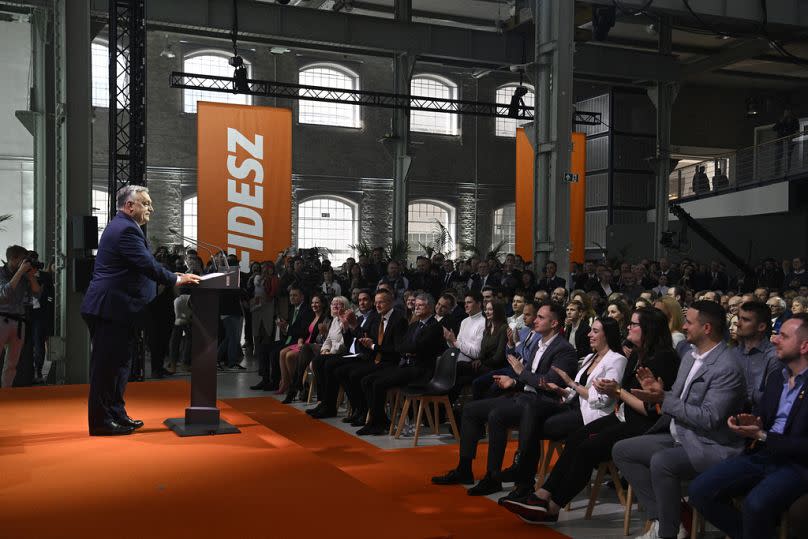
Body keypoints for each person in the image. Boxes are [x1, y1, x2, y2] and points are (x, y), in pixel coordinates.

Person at [612, 301, 747, 539]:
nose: (683, 326)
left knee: (662, 462)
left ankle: (668, 533)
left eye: (689, 322)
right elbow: (676, 397)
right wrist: (657, 392)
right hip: (679, 433)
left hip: (710, 444)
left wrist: (663, 398)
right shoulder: (690, 355)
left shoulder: (727, 366)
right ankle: (663, 516)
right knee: (623, 450)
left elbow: (709, 418)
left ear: (706, 328)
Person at [80, 186, 200, 436]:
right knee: (106, 367)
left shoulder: (125, 227)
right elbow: (145, 264)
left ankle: (116, 414)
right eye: (146, 203)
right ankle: (101, 421)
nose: (151, 208)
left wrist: (172, 274)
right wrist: (175, 280)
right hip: (110, 307)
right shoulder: (125, 230)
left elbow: (142, 264)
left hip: (120, 309)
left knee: (121, 365)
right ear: (129, 206)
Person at [431, 303, 579, 496]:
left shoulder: (564, 349)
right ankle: (464, 469)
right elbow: (529, 378)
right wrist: (513, 381)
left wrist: (520, 373)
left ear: (554, 323)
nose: (535, 320)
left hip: (542, 404)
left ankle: (492, 477)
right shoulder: (539, 343)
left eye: (541, 317)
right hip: (523, 396)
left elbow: (549, 383)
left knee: (497, 415)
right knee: (471, 409)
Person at [688, 314, 808, 539]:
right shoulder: (776, 377)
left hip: (798, 466)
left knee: (755, 505)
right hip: (763, 454)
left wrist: (763, 435)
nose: (774, 341)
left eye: (783, 336)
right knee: (699, 491)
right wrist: (752, 423)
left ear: (804, 346)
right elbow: (762, 416)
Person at [358, 293, 445, 435]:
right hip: (407, 366)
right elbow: (400, 347)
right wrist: (410, 349)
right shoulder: (414, 325)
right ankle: (380, 420)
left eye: (420, 305)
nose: (416, 308)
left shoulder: (435, 326)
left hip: (421, 370)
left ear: (430, 308)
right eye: (415, 305)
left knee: (378, 383)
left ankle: (377, 423)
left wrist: (410, 349)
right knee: (367, 380)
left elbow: (418, 347)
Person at [0, 245, 41, 387]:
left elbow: (37, 294)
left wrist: (30, 277)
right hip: (2, 319)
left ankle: (6, 392)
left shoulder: (24, 275)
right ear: (13, 258)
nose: (25, 263)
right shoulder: (1, 273)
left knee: (12, 363)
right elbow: (5, 294)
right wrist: (21, 272)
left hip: (19, 321)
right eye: (23, 260)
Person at [734, 301, 780, 413]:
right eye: (739, 318)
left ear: (761, 326)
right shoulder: (733, 353)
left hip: (757, 419)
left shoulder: (773, 357)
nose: (738, 324)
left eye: (745, 320)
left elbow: (771, 398)